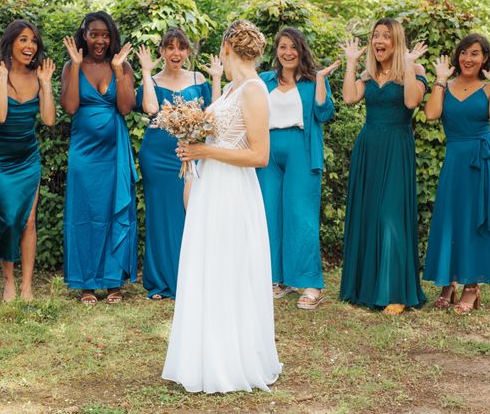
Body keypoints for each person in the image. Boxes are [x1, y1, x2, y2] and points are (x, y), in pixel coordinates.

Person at [162, 20, 282, 393]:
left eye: (221, 46)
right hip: (210, 186)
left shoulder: (254, 90)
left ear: (229, 46)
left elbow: (260, 155)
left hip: (233, 192)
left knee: (229, 268)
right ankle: (202, 357)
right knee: (207, 268)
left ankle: (229, 361)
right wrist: (191, 145)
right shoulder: (230, 88)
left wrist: (203, 150)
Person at [339, 18, 428, 315]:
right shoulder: (368, 74)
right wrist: (352, 63)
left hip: (396, 146)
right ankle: (365, 287)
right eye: (375, 35)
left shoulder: (414, 71)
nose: (379, 41)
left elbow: (413, 101)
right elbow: (350, 98)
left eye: (386, 36)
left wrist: (410, 64)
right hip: (369, 147)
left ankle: (395, 292)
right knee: (369, 214)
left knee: (390, 216)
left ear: (396, 42)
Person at [423, 34, 490, 313]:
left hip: (484, 160)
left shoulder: (488, 88)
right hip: (455, 159)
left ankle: (471, 287)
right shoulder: (446, 85)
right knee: (451, 218)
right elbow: (431, 114)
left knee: (476, 220)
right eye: (464, 52)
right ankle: (448, 283)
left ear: (484, 58)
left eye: (475, 53)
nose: (468, 58)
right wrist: (439, 79)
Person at [135, 27, 222, 300]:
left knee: (190, 212)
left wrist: (217, 78)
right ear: (162, 52)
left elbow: (215, 115)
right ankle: (160, 280)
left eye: (181, 47)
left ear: (187, 52)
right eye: (170, 47)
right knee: (160, 215)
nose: (176, 52)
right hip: (156, 157)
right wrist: (147, 72)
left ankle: (190, 278)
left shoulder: (198, 78)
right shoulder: (154, 80)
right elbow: (150, 108)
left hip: (190, 153)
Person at [258, 27, 339, 309]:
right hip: (267, 152)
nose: (288, 52)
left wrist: (320, 82)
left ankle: (310, 283)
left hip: (301, 150)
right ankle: (275, 279)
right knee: (269, 214)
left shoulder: (313, 80)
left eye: (293, 47)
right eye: (282, 47)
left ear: (301, 50)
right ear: (276, 51)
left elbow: (324, 113)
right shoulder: (264, 80)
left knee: (301, 216)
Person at [61, 11, 137, 306]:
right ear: (84, 35)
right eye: (94, 34)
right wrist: (77, 67)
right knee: (84, 215)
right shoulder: (71, 65)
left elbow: (127, 107)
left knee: (113, 213)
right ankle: (86, 284)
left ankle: (114, 282)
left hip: (114, 153)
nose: (100, 40)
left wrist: (119, 70)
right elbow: (69, 107)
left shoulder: (122, 64)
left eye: (105, 35)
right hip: (83, 153)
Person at [0, 20, 56, 302]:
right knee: (8, 219)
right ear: (11, 43)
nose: (30, 46)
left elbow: (49, 120)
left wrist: (46, 85)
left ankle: (26, 285)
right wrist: (1, 78)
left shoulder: (38, 76)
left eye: (34, 41)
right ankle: (8, 282)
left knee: (28, 220)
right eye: (24, 40)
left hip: (28, 157)